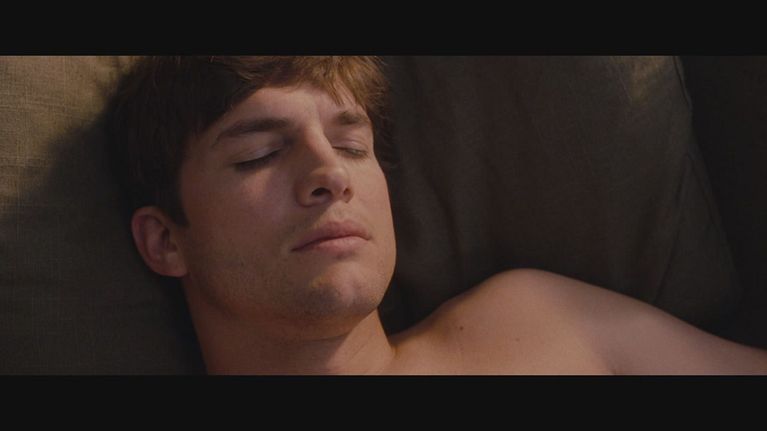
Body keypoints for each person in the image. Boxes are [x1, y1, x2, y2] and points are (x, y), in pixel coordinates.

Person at [108, 56, 767, 374]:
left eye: (352, 146)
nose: (331, 175)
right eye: (260, 154)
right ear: (165, 240)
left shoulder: (539, 320)